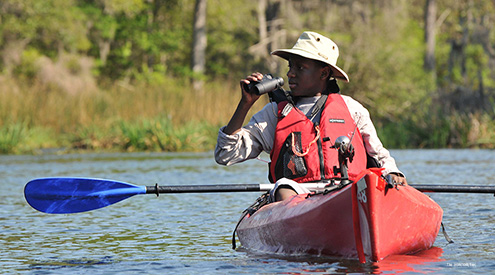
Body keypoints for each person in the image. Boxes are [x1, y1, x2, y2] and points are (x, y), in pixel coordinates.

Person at [215, 31, 407, 201]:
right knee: (283, 187)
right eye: (290, 67)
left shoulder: (352, 109)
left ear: (324, 73)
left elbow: (378, 153)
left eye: (300, 68)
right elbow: (225, 154)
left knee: (366, 184)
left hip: (348, 192)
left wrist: (393, 172)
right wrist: (245, 104)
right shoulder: (275, 113)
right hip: (296, 194)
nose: (290, 74)